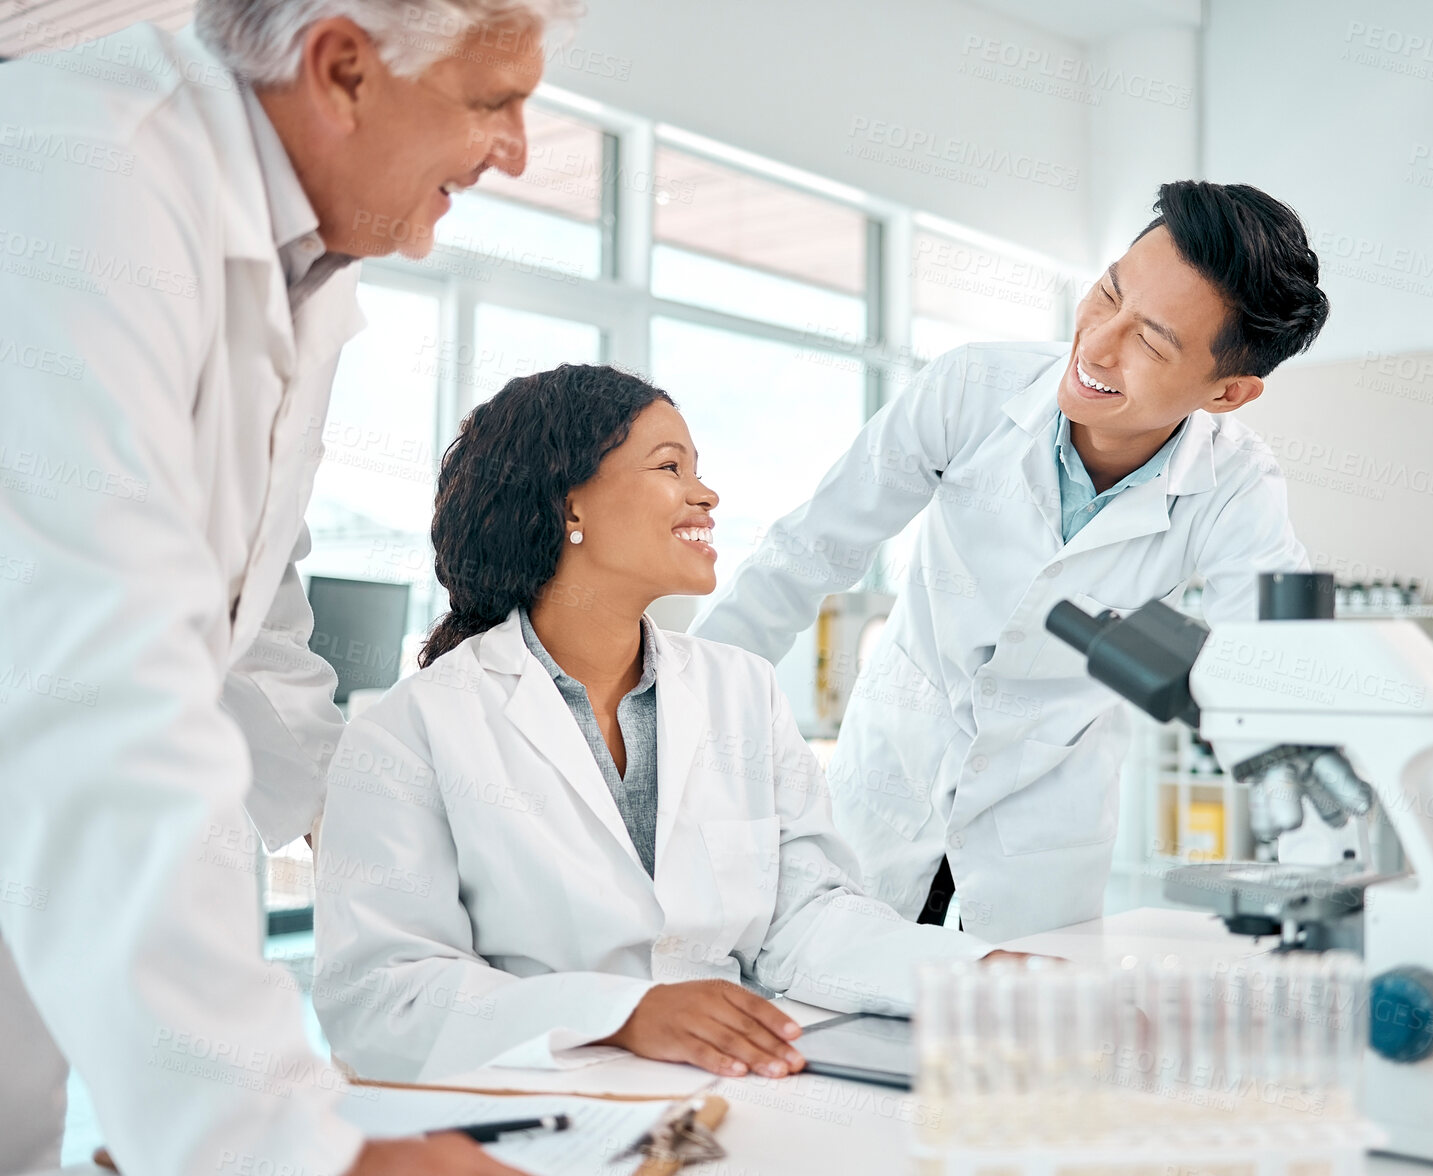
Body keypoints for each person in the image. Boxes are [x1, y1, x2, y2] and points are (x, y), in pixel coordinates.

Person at [0, 2, 574, 1172]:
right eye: (491, 101)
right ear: (343, 68)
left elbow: (245, 605)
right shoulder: (86, 174)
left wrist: (354, 814)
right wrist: (283, 1143)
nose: (517, 148)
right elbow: (94, 667)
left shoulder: (294, 264)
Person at [312, 365, 1002, 1083]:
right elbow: (381, 999)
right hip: (535, 1110)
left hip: (728, 1097)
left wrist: (978, 972)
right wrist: (621, 1014)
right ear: (569, 506)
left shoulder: (740, 690)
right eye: (669, 466)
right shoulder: (412, 728)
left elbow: (806, 915)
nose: (704, 494)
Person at [692, 181, 1330, 943]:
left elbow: (1269, 674)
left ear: (1227, 392)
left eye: (1150, 343)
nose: (1095, 345)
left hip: (1045, 811)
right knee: (839, 986)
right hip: (895, 767)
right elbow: (807, 553)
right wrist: (689, 714)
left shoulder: (1235, 488)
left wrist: (1312, 853)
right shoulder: (972, 388)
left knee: (1015, 1027)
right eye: (1106, 294)